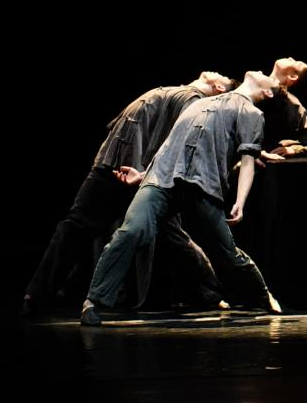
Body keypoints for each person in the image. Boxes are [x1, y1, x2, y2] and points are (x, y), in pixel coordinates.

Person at [79, 71, 284, 326]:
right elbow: (171, 143)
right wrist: (142, 175)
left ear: (267, 92)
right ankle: (94, 301)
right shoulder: (200, 102)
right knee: (132, 231)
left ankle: (261, 295)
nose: (263, 72)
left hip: (202, 184)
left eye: (270, 79)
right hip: (162, 178)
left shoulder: (251, 113)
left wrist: (240, 200)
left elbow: (248, 160)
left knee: (226, 252)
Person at [22, 72, 234, 315]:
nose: (217, 72)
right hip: (115, 164)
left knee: (171, 237)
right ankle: (37, 293)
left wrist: (146, 174)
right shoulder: (178, 92)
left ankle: (213, 293)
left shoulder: (194, 100)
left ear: (218, 87)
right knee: (78, 227)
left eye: (222, 76)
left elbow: (183, 142)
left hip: (140, 174)